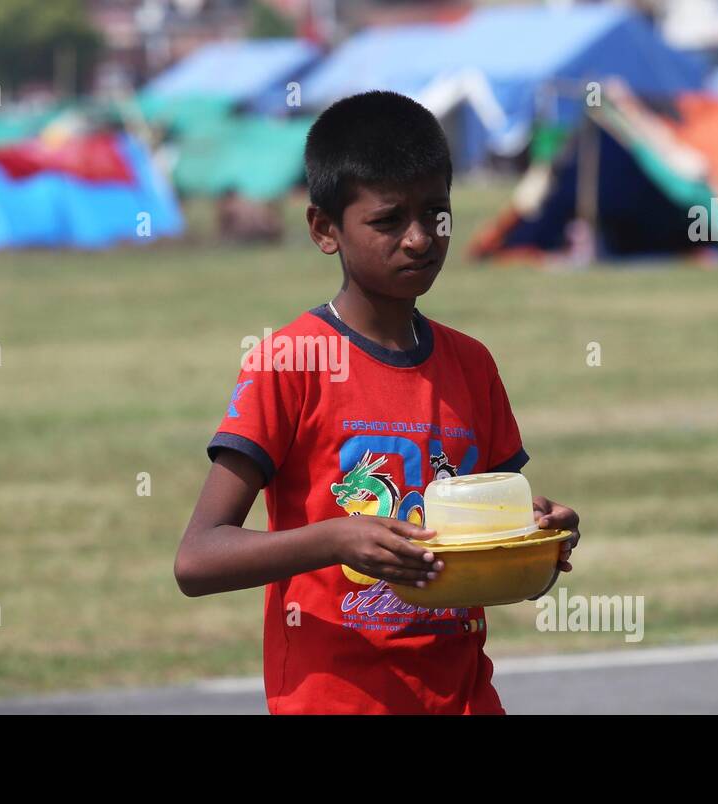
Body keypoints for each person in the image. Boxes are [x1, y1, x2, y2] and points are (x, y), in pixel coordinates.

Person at [174, 90, 582, 715]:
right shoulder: (290, 361)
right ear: (324, 229)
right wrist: (335, 540)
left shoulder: (472, 365)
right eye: (389, 221)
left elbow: (504, 571)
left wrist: (541, 542)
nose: (419, 239)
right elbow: (197, 559)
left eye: (436, 214)